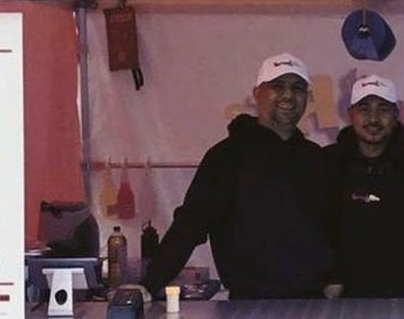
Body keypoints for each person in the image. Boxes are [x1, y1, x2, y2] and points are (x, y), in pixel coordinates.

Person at [143, 53, 335, 300]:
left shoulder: (315, 159)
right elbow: (191, 224)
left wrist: (335, 278)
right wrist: (150, 283)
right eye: (277, 87)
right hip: (248, 308)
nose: (288, 95)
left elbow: (333, 228)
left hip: (313, 308)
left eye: (297, 88)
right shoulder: (226, 157)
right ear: (257, 94)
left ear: (307, 98)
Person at [323, 74, 404, 297]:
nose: (373, 118)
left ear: (396, 116)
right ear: (350, 115)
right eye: (364, 109)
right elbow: (318, 231)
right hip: (341, 301)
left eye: (383, 109)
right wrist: (330, 277)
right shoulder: (327, 164)